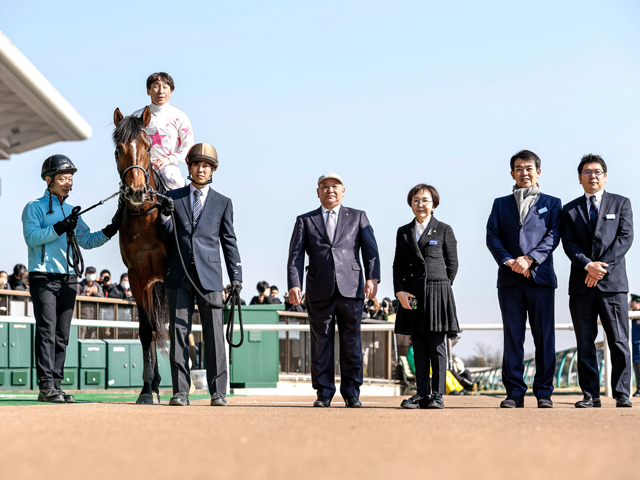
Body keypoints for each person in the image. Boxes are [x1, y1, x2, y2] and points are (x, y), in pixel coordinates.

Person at [22, 154, 121, 403]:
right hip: (43, 277)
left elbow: (87, 240)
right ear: (48, 179)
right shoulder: (34, 207)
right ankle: (46, 386)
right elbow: (32, 238)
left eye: (71, 178)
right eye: (63, 178)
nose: (68, 182)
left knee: (62, 334)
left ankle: (56, 384)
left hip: (69, 278)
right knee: (47, 330)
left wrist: (112, 228)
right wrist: (60, 228)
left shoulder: (70, 211)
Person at [287, 172, 380, 408]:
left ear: (343, 190)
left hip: (351, 289)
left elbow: (371, 251)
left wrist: (373, 278)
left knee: (352, 343)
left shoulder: (358, 216)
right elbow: (296, 255)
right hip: (319, 289)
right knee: (321, 343)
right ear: (317, 192)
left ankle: (352, 393)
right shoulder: (305, 220)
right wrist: (294, 283)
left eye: (335, 186)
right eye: (324, 186)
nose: (330, 190)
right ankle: (324, 393)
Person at [159, 143, 242, 407]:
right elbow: (164, 235)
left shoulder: (223, 202)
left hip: (211, 275)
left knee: (215, 335)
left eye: (206, 165)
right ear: (189, 167)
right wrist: (164, 217)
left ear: (213, 169)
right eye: (196, 164)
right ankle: (180, 391)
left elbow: (229, 241)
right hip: (178, 273)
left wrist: (236, 276)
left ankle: (218, 392)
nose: (201, 169)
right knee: (178, 333)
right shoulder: (173, 197)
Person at [486, 150, 561, 409]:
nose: (524, 173)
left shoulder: (552, 203)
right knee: (513, 336)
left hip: (540, 279)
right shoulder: (500, 203)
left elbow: (553, 236)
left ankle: (544, 392)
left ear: (538, 172)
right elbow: (492, 236)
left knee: (544, 337)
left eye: (529, 168)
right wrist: (510, 261)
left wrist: (529, 259)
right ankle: (514, 392)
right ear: (512, 173)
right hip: (509, 280)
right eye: (519, 168)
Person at [561, 154, 634, 408]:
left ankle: (622, 392)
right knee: (585, 341)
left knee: (618, 339)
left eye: (598, 171)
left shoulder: (621, 203)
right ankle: (590, 394)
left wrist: (601, 269)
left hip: (613, 285)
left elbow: (625, 239)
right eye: (587, 172)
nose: (593, 176)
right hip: (581, 285)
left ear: (605, 176)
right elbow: (568, 244)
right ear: (579, 178)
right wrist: (587, 266)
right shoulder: (569, 209)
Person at [394, 184, 459, 409]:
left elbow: (452, 265)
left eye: (425, 200)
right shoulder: (403, 231)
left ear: (434, 204)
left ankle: (437, 395)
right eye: (416, 200)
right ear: (410, 204)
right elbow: (398, 266)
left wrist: (440, 286)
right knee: (418, 346)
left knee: (437, 346)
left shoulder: (444, 229)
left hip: (438, 293)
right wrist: (400, 291)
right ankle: (421, 394)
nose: (420, 204)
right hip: (412, 295)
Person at [133, 72, 194, 190]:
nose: (160, 91)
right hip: (142, 166)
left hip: (168, 166)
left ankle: (181, 208)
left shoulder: (179, 116)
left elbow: (189, 148)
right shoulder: (136, 116)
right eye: (156, 86)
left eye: (165, 87)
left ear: (171, 92)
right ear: (148, 90)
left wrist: (168, 159)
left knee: (172, 178)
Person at [630, 294, 640, 397]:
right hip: (635, 348)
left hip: (639, 347)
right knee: (637, 369)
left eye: (632, 302)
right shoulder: (633, 315)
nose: (630, 304)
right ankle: (639, 389)